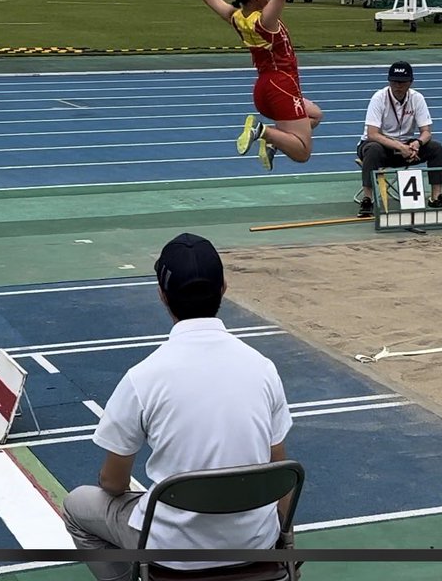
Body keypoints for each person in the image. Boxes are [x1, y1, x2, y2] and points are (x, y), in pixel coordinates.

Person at [62, 233, 293, 580]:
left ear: (162, 295)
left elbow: (113, 483)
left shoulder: (143, 377)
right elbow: (281, 472)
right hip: (254, 544)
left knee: (77, 506)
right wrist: (284, 540)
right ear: (224, 287)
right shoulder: (263, 368)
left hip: (173, 553)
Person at [163, 0, 322, 172]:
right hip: (281, 84)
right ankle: (264, 132)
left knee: (315, 115)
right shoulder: (265, 20)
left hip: (263, 88)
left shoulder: (237, 17)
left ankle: (271, 142)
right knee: (303, 152)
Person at [356, 61, 442, 217]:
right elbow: (372, 133)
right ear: (389, 81)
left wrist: (417, 143)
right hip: (379, 144)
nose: (398, 86)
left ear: (410, 82)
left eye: (402, 82)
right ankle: (367, 199)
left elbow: (426, 131)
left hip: (407, 145)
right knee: (373, 148)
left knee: (435, 147)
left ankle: (436, 197)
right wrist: (399, 147)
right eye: (394, 81)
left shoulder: (417, 98)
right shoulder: (379, 98)